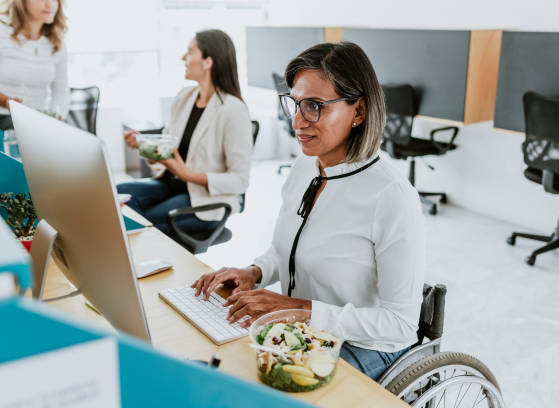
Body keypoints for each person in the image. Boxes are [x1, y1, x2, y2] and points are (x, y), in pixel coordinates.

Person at [192, 42, 425, 381]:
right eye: (296, 104)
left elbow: (401, 325)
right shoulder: (305, 166)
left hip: (363, 345)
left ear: (358, 112)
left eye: (315, 106)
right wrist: (254, 272)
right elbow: (287, 248)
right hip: (304, 331)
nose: (298, 121)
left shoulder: (391, 196)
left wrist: (300, 310)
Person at [118, 29, 252, 239]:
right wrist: (142, 143)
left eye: (190, 52)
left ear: (208, 61)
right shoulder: (184, 97)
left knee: (137, 225)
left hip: (205, 201)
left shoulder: (233, 110)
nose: (183, 58)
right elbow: (167, 145)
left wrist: (186, 174)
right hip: (171, 185)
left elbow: (240, 180)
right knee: (118, 195)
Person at [0, 0, 68, 130]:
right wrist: (7, 102)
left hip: (39, 119)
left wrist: (57, 117)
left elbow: (61, 90)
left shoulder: (56, 41)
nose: (50, 4)